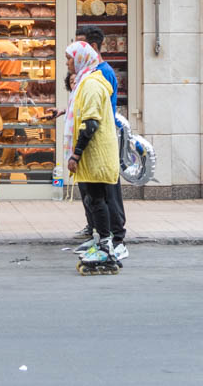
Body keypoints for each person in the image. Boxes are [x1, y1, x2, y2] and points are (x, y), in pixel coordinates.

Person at [73, 24, 126, 256]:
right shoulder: (87, 76)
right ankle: (99, 234)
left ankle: (116, 239)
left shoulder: (99, 75)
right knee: (93, 195)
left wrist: (77, 151)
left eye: (79, 47)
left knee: (106, 195)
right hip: (94, 142)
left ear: (91, 48)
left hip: (100, 142)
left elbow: (94, 114)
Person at [64, 42, 119, 258]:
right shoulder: (84, 82)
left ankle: (106, 246)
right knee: (93, 199)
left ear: (80, 59)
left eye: (70, 58)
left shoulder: (91, 85)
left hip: (96, 153)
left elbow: (90, 123)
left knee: (97, 199)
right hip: (94, 153)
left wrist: (75, 154)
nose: (67, 62)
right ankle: (102, 242)